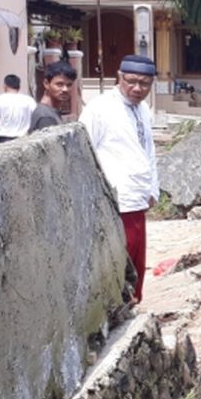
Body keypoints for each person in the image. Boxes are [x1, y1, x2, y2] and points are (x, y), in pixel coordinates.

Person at [80, 55, 159, 303]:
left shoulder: (144, 110)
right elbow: (85, 152)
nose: (137, 88)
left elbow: (149, 150)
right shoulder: (99, 108)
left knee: (137, 259)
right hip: (115, 199)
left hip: (138, 197)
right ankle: (118, 308)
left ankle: (134, 304)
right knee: (118, 260)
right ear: (119, 77)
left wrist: (153, 188)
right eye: (132, 81)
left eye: (144, 83)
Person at [0, 74, 36, 142]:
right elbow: (36, 115)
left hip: (4, 138)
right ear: (19, 87)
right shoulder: (29, 100)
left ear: (5, 86)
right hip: (23, 139)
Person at [29, 61, 78, 132]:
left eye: (69, 85)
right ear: (46, 84)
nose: (65, 89)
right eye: (59, 84)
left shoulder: (50, 112)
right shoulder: (46, 117)